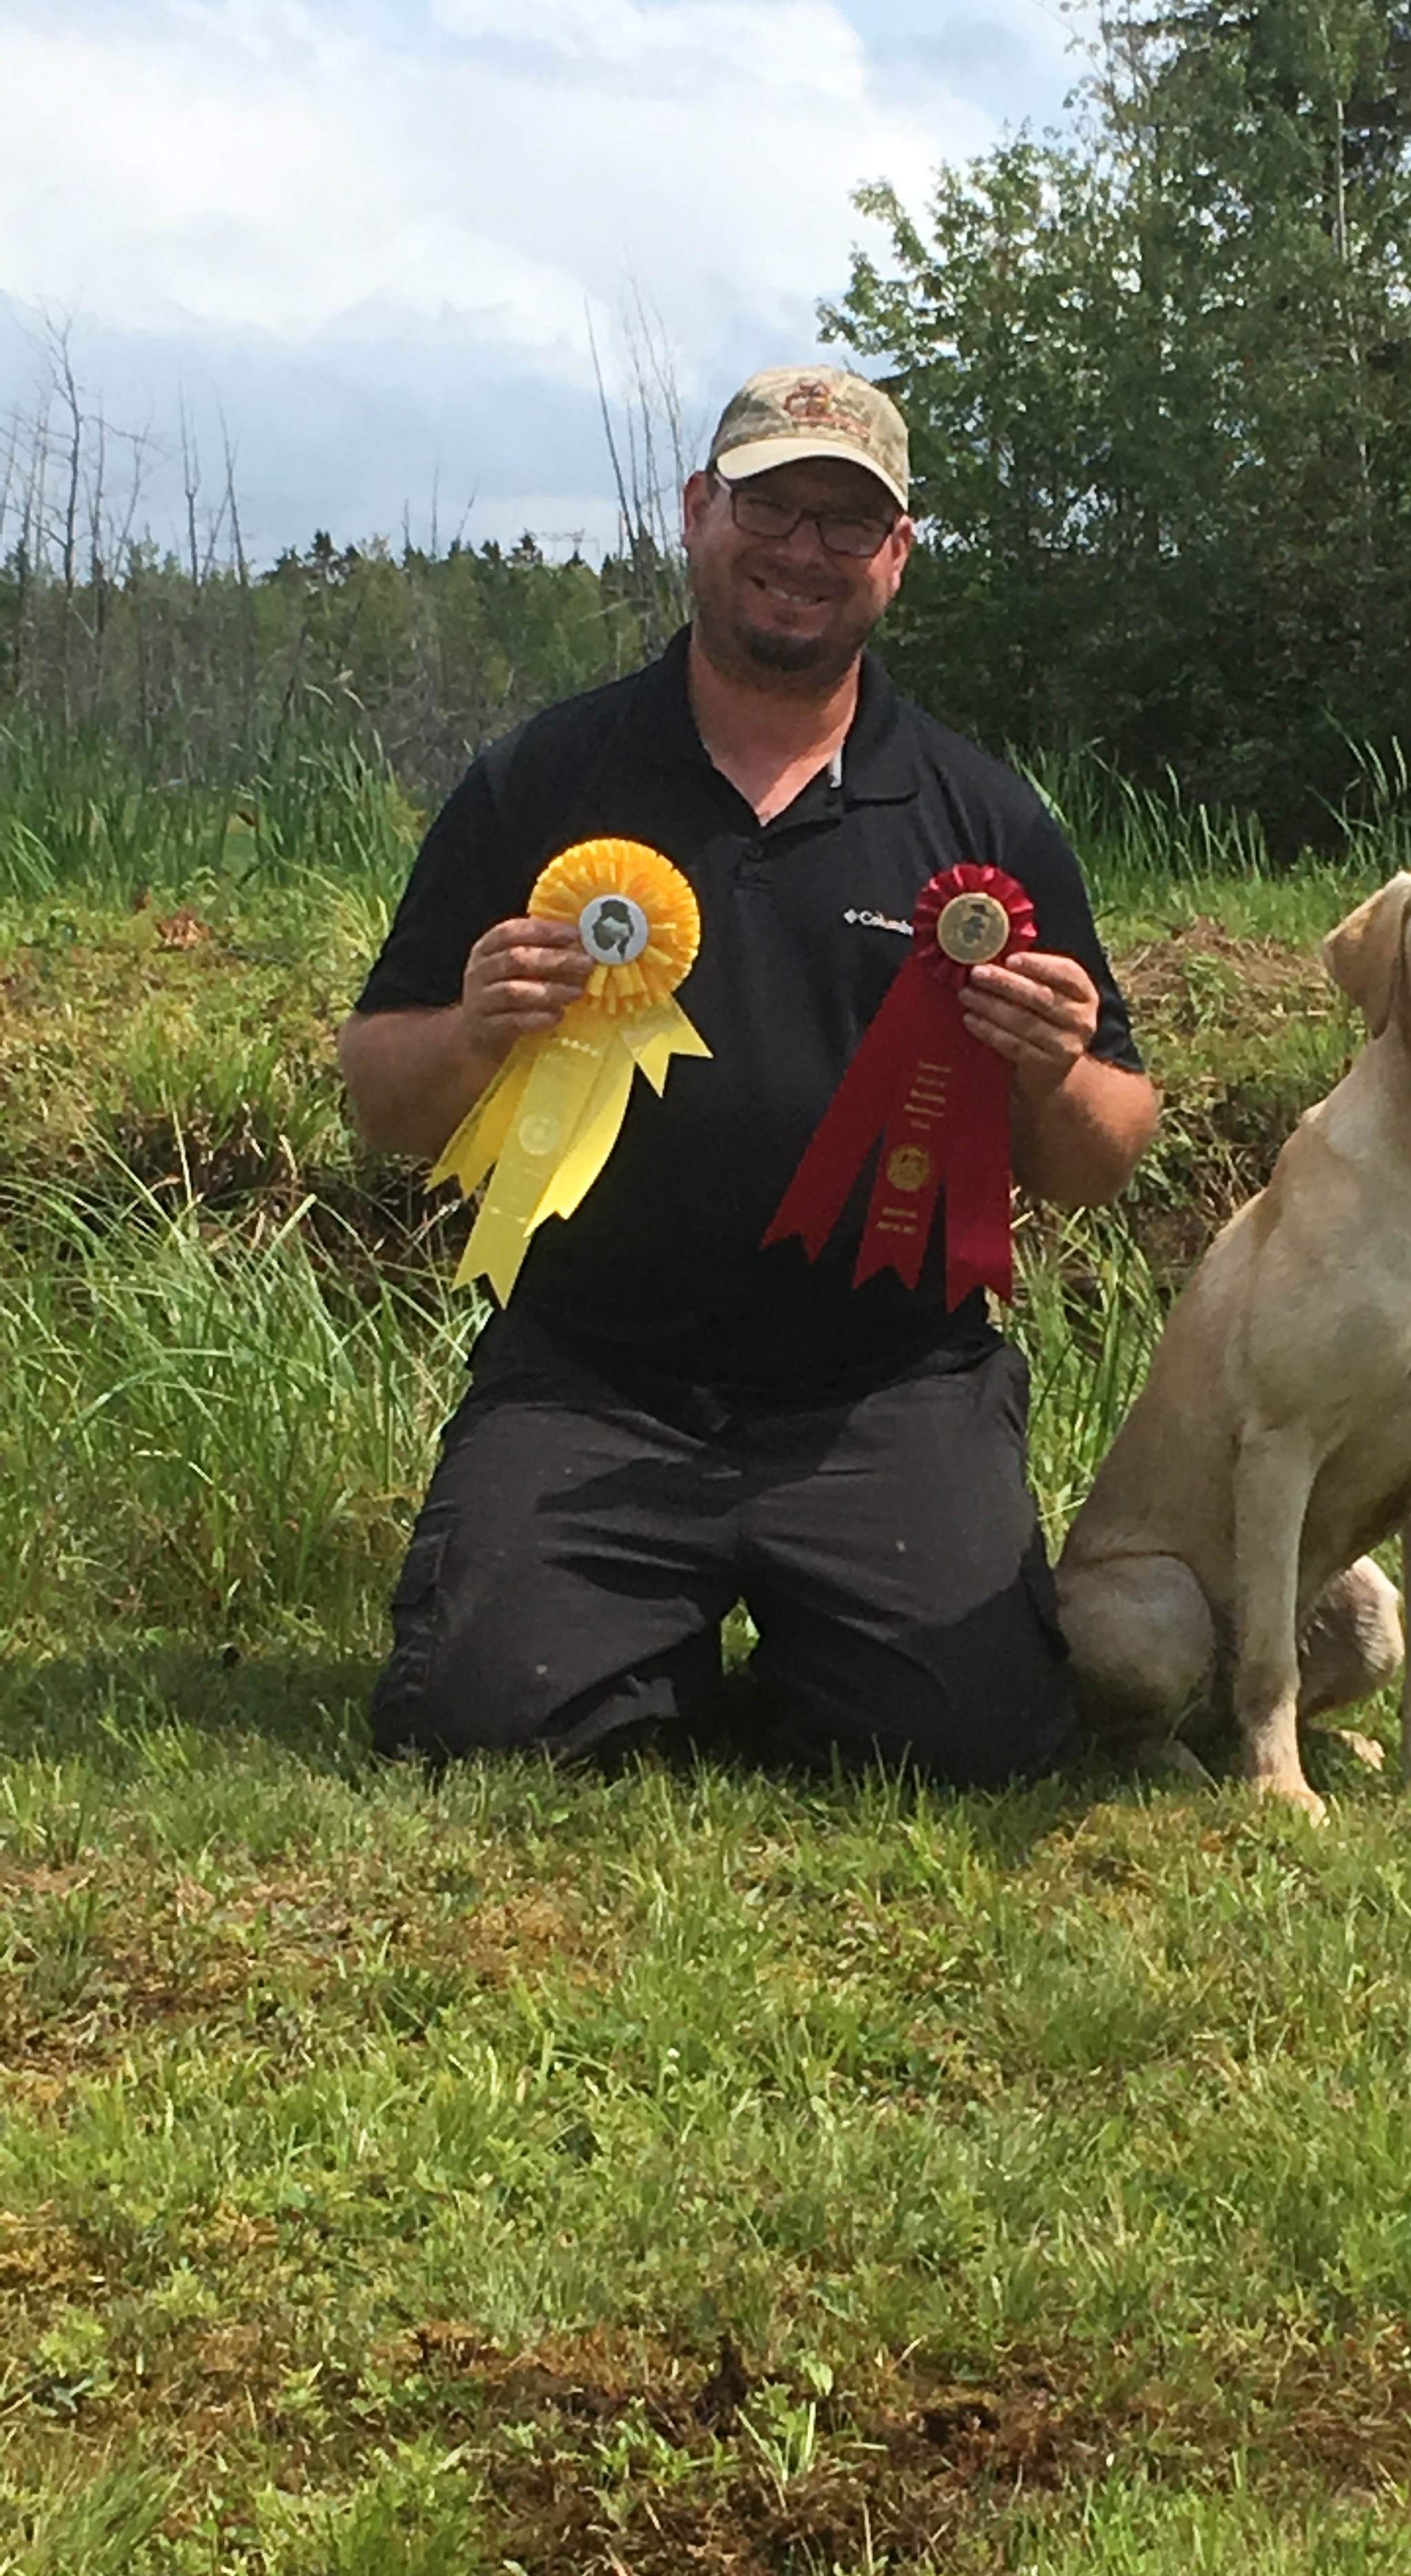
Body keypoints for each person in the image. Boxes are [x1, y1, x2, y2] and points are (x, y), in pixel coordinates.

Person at [338, 364, 1157, 1785]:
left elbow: (1099, 1158)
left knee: (974, 1746)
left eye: (849, 525)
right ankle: (620, 1631)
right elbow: (380, 1103)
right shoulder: (543, 776)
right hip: (592, 1380)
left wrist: (1054, 1068)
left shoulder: (985, 816)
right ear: (697, 512)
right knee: (487, 1728)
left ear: (896, 559)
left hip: (887, 1388)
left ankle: (796, 1645)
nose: (802, 552)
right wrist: (475, 1026)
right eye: (772, 506)